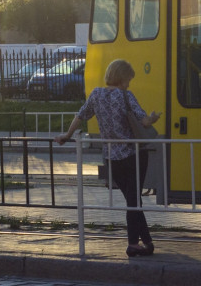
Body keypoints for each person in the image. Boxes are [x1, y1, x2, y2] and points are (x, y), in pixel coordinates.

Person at [55, 59, 161, 258]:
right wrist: (154, 118)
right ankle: (132, 244)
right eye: (128, 79)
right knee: (133, 201)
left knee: (133, 200)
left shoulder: (96, 95)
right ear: (122, 78)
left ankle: (147, 242)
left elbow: (80, 116)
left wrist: (67, 136)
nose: (129, 83)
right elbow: (144, 122)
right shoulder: (125, 95)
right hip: (133, 155)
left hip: (111, 157)